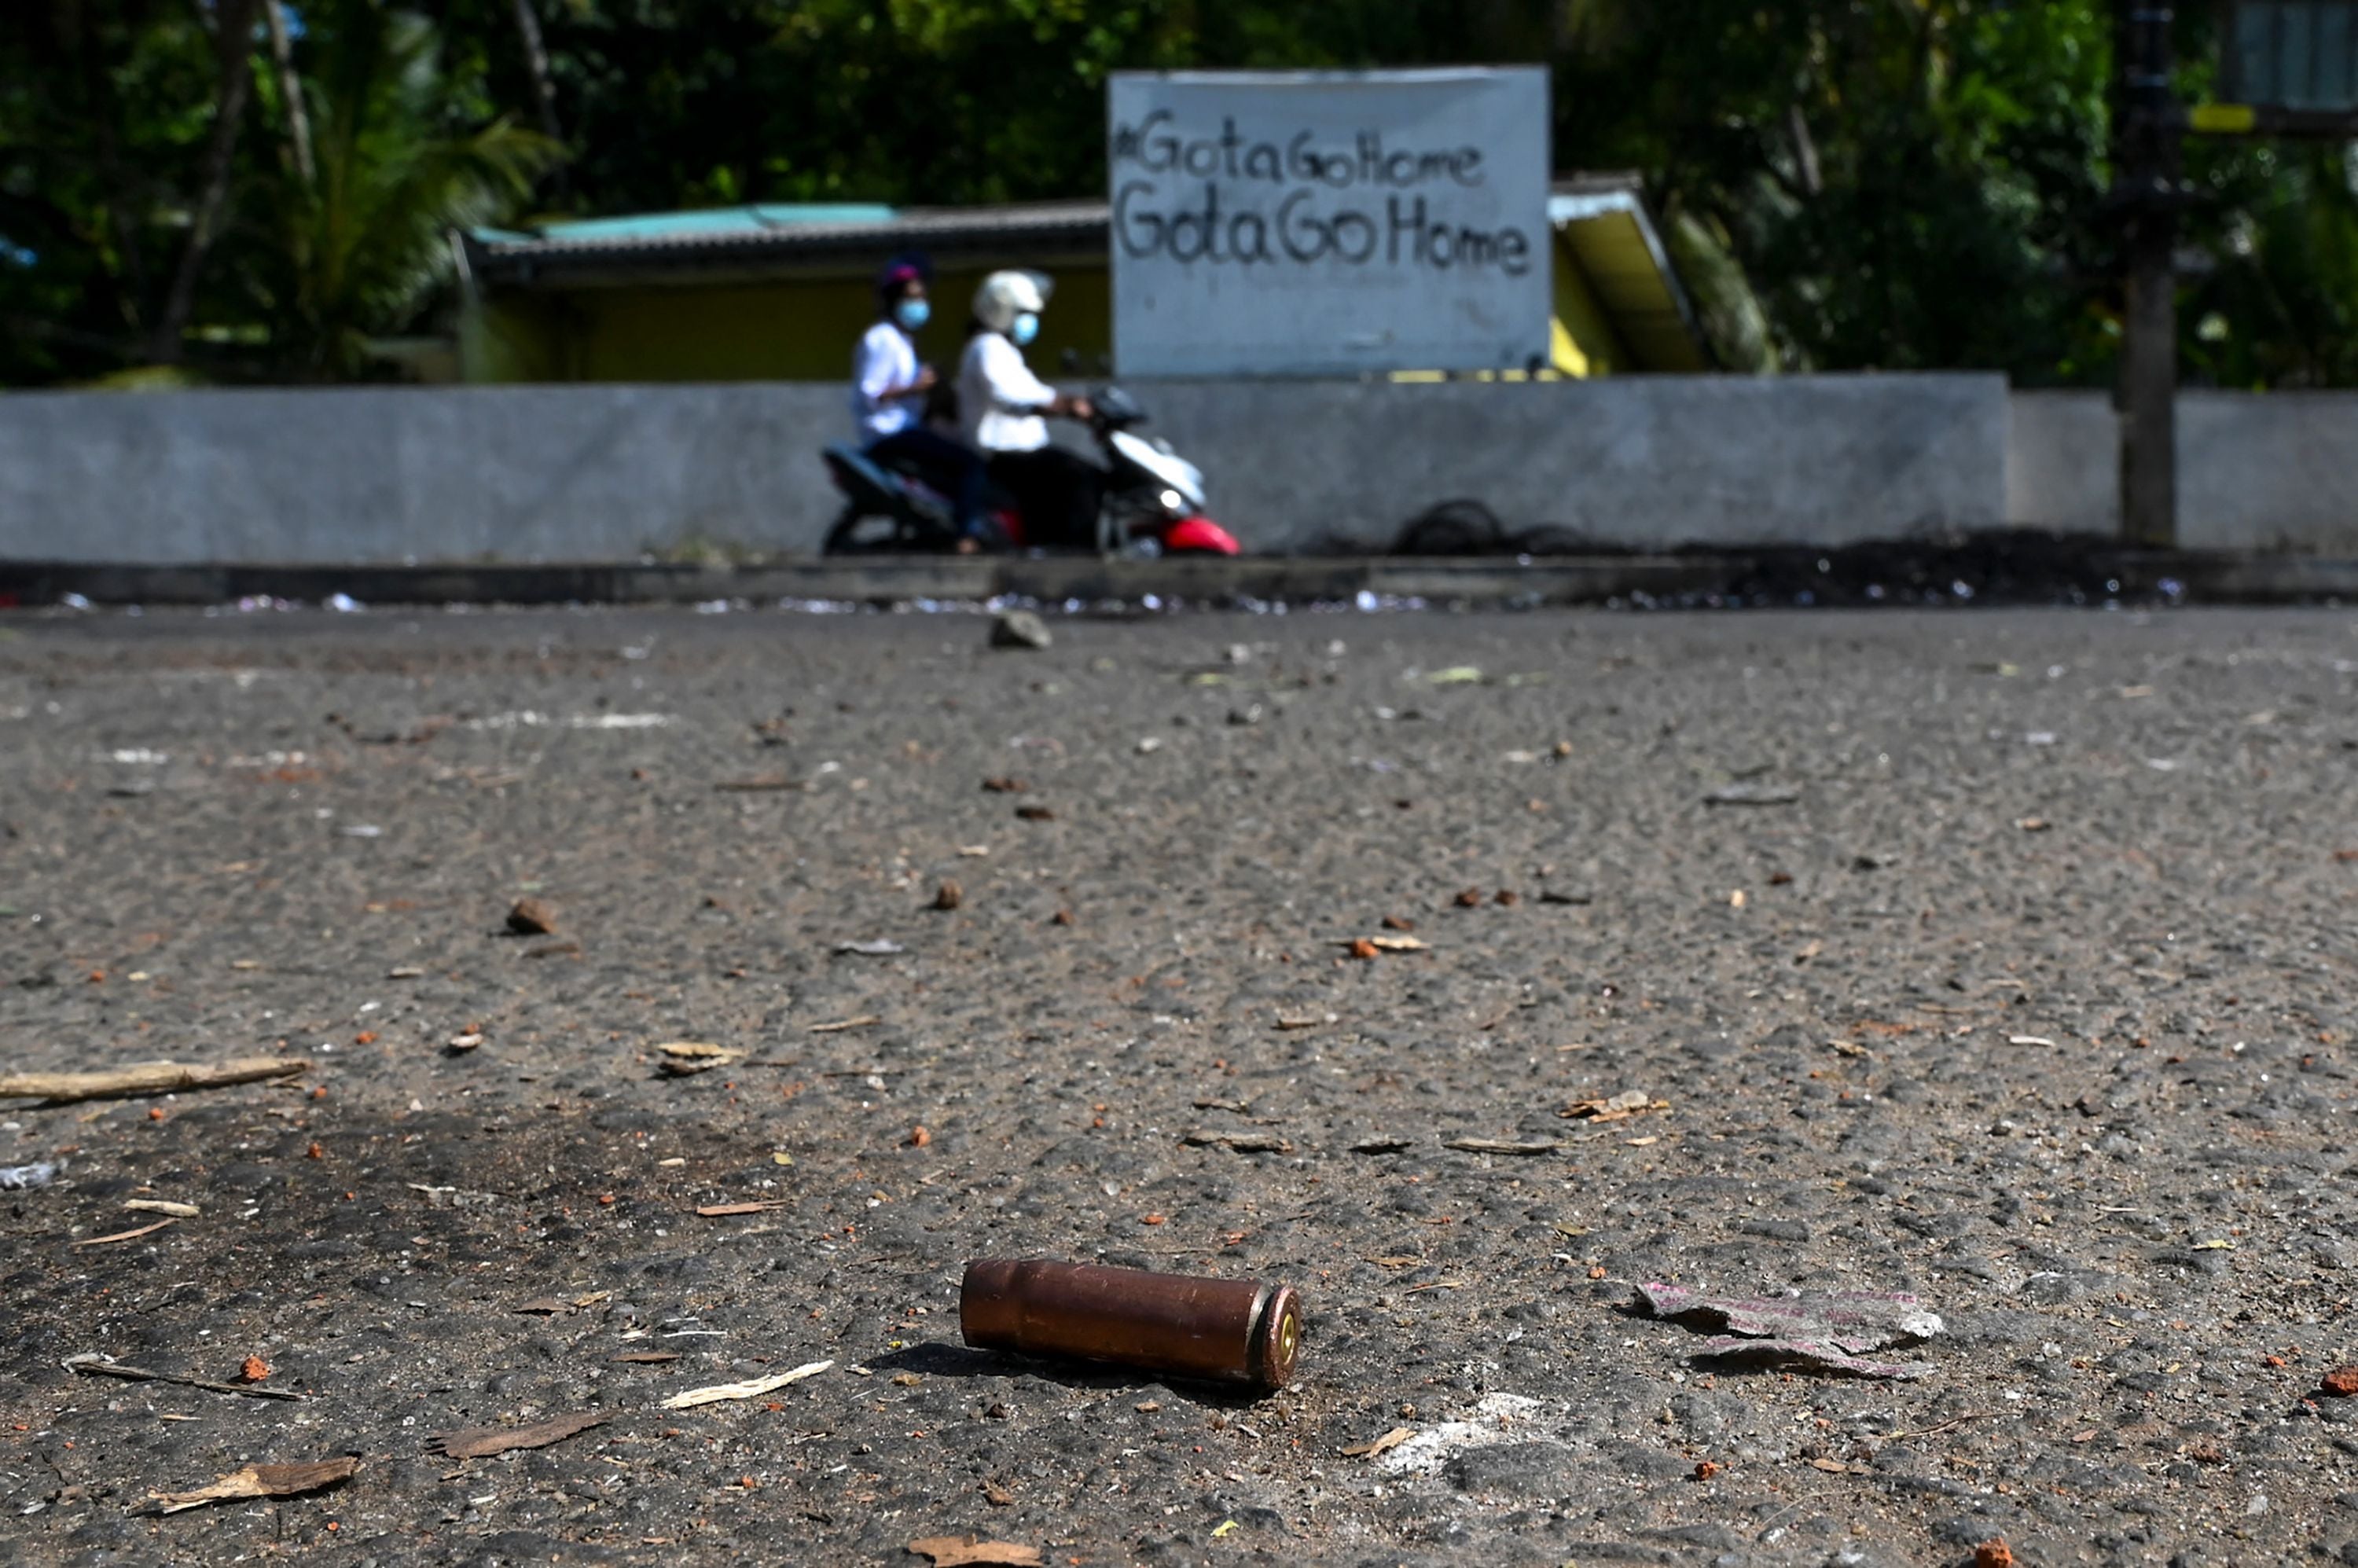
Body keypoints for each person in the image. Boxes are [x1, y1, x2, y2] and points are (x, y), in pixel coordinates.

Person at [957, 270, 1104, 549]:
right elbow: (1008, 397)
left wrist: (1071, 401)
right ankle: (1073, 553)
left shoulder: (1005, 350)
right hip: (1000, 455)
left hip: (1022, 453)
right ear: (1004, 311)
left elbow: (1037, 391)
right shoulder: (987, 347)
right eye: (1024, 313)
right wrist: (1060, 407)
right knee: (1079, 476)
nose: (1030, 322)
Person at [851, 255, 984, 542]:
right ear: (893, 301)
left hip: (905, 429)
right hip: (889, 435)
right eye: (912, 298)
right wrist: (915, 387)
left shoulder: (902, 341)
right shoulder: (882, 339)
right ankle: (966, 536)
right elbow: (871, 393)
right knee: (970, 464)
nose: (919, 304)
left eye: (922, 297)